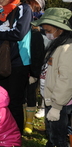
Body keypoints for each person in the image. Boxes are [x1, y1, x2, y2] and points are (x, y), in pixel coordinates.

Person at [0, 0, 33, 133]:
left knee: (15, 101)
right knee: (2, 99)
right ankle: (5, 131)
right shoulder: (2, 12)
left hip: (19, 62)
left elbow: (18, 33)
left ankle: (16, 134)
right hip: (3, 61)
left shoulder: (24, 9)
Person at [31, 8, 72, 147]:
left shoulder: (67, 48)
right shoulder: (56, 43)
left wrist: (57, 106)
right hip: (51, 99)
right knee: (51, 134)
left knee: (58, 138)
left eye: (48, 30)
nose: (46, 34)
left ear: (60, 29)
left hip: (60, 103)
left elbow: (66, 80)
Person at [23, 0, 46, 134]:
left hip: (33, 68)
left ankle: (29, 122)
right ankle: (22, 119)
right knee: (21, 95)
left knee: (31, 93)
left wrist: (34, 73)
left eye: (32, 7)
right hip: (20, 67)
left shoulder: (36, 30)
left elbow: (38, 53)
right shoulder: (21, 27)